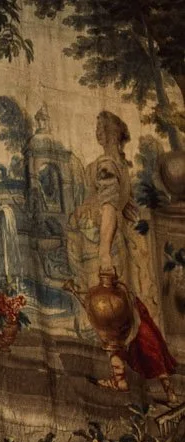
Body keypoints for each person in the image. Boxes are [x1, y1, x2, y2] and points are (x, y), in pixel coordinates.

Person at [77, 110, 176, 391]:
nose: (96, 132)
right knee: (126, 315)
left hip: (106, 243)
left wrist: (104, 251)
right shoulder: (120, 164)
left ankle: (137, 378)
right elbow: (128, 208)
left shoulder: (107, 164)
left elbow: (109, 208)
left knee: (111, 314)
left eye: (99, 127)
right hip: (119, 242)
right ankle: (152, 380)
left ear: (108, 133)